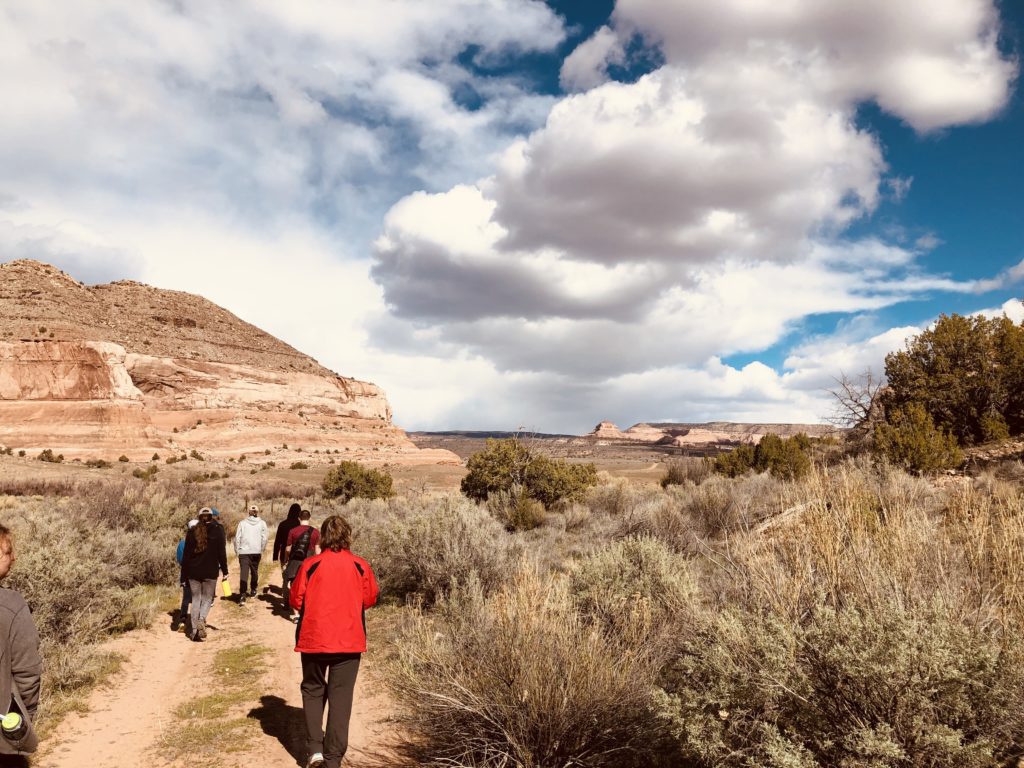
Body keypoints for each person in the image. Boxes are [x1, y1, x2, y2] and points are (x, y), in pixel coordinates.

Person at [289, 515, 378, 768]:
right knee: (341, 697)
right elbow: (369, 598)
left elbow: (295, 599)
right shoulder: (360, 565)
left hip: (314, 638)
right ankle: (333, 758)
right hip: (349, 641)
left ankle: (315, 749)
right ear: (348, 535)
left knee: (313, 690)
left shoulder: (311, 565)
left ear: (323, 538)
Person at [0, 525, 41, 766]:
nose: (14, 558)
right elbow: (28, 674)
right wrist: (22, 721)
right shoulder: (12, 606)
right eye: (8, 551)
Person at [181, 508, 228, 642]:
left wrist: (183, 576)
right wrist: (225, 571)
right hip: (210, 571)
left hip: (193, 572)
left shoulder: (191, 531)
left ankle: (194, 631)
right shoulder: (218, 530)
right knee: (207, 598)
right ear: (211, 516)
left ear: (200, 517)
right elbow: (221, 552)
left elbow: (186, 556)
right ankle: (201, 619)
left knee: (196, 599)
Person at [284, 510, 319, 621]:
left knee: (294, 585)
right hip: (309, 561)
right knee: (308, 586)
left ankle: (297, 614)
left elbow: (288, 548)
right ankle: (307, 611)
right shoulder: (316, 532)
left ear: (299, 518)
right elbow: (317, 549)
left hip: (295, 561)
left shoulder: (293, 531)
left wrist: (286, 559)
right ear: (309, 518)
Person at [234, 505, 268, 603]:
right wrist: (261, 549)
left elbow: (237, 538)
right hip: (256, 551)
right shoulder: (262, 523)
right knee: (254, 571)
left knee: (244, 573)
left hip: (244, 552)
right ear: (257, 512)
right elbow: (264, 538)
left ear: (249, 512)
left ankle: (242, 595)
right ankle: (253, 590)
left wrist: (237, 551)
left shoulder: (242, 523)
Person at [172, 519, 199, 631]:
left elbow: (179, 559)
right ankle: (196, 621)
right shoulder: (202, 541)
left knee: (186, 598)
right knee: (198, 597)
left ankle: (182, 620)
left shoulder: (182, 543)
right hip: (199, 573)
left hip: (187, 573)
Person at [273, 503, 302, 592]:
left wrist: (275, 556)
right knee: (295, 575)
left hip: (283, 554)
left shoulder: (282, 524)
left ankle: (285, 592)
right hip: (296, 554)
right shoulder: (299, 526)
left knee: (285, 574)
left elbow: (277, 541)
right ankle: (292, 592)